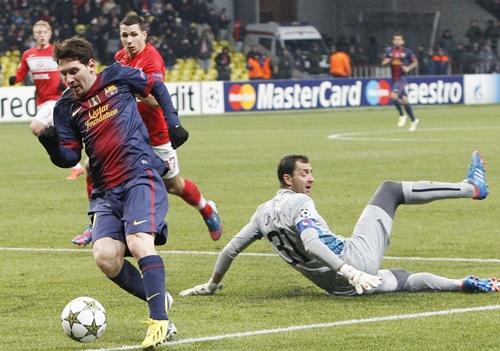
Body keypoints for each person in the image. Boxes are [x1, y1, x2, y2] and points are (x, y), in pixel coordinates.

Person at [38, 37, 188, 348]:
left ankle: (160, 322)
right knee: (105, 256)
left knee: (138, 240)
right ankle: (159, 298)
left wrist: (173, 124)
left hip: (139, 176)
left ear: (91, 65)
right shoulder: (66, 107)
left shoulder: (118, 75)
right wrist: (50, 144)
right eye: (62, 73)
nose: (68, 79)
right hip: (106, 190)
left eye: (73, 71)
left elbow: (155, 87)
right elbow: (68, 157)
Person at [179, 152, 498, 298]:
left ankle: (461, 284)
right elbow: (312, 244)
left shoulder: (261, 214)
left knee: (402, 278)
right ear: (287, 179)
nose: (312, 178)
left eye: (311, 171)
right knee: (389, 189)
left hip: (339, 289)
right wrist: (352, 270)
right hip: (352, 263)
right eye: (305, 172)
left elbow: (232, 249)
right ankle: (472, 188)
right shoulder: (299, 202)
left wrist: (212, 283)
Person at [72, 15, 222, 246]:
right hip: (127, 133)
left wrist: (131, 93)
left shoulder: (151, 60)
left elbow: (153, 100)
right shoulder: (120, 58)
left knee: (174, 185)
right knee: (94, 168)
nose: (129, 40)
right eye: (124, 35)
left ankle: (206, 208)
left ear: (144, 34)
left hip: (156, 136)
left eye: (134, 34)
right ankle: (96, 223)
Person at [9, 20, 85, 180]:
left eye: (44, 32)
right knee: (60, 130)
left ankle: (71, 158)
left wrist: (65, 84)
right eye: (38, 33)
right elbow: (21, 74)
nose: (41, 35)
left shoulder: (56, 52)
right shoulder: (28, 54)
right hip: (42, 101)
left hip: (58, 99)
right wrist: (14, 79)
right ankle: (76, 164)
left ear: (50, 34)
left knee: (36, 127)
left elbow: (70, 67)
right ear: (34, 35)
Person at [381, 33, 420, 132]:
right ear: (393, 41)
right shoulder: (390, 51)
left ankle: (402, 115)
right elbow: (383, 62)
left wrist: (408, 68)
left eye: (399, 40)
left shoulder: (407, 52)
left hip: (402, 78)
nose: (397, 41)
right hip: (394, 79)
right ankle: (414, 120)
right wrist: (387, 60)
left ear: (402, 42)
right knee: (405, 101)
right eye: (395, 40)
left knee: (393, 96)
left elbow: (415, 62)